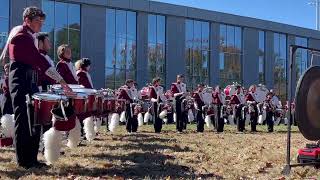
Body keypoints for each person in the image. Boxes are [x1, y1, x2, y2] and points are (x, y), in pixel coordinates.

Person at [6, 6, 73, 169]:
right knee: (23, 120)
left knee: (33, 119)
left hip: (29, 78)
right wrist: (62, 81)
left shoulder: (30, 36)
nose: (40, 25)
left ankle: (32, 159)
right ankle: (24, 160)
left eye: (42, 22)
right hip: (20, 78)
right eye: (37, 21)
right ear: (27, 20)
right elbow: (39, 61)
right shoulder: (22, 35)